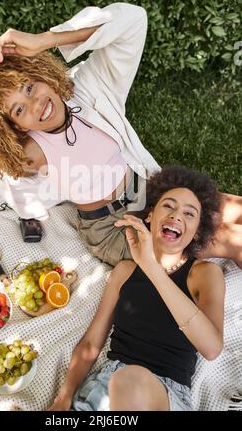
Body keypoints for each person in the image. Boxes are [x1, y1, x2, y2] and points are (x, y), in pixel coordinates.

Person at [0, 2, 242, 268]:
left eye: (28, 87)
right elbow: (7, 176)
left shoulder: (87, 88)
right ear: (17, 126)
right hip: (113, 227)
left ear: (40, 74)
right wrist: (16, 213)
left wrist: (44, 40)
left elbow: (133, 20)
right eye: (19, 109)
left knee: (236, 210)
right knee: (235, 242)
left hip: (149, 190)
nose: (36, 104)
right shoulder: (29, 150)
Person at [48, 166, 226, 411]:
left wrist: (152, 268)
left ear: (197, 232)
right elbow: (90, 344)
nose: (176, 216)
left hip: (166, 396)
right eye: (168, 206)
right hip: (104, 390)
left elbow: (212, 347)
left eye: (189, 214)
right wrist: (63, 399)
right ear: (150, 215)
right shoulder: (125, 271)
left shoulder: (206, 274)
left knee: (131, 381)